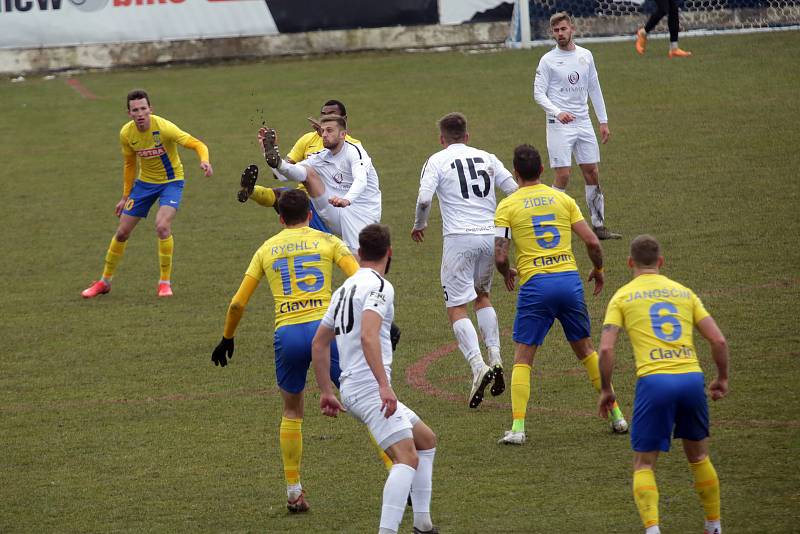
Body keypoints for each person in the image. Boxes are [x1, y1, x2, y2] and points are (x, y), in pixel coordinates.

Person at [209, 190, 393, 512]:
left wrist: (227, 337)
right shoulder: (328, 242)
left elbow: (238, 302)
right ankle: (396, 473)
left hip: (289, 335)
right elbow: (361, 277)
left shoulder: (266, 249)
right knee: (367, 402)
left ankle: (294, 490)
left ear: (280, 218)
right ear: (310, 214)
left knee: (292, 411)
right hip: (327, 332)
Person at [493, 144, 628, 445]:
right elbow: (593, 242)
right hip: (568, 281)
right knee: (587, 351)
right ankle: (618, 416)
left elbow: (500, 257)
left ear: (515, 174)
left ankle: (517, 428)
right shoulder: (562, 199)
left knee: (523, 357)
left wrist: (506, 274)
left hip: (536, 286)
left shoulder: (508, 205)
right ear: (542, 170)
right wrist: (599, 269)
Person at [312, 224, 439, 534]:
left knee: (425, 440)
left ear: (358, 253)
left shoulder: (344, 289)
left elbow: (319, 342)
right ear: (389, 253)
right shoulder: (381, 286)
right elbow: (369, 336)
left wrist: (327, 391)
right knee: (406, 458)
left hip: (352, 387)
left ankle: (423, 524)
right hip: (370, 388)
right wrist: (384, 385)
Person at [598, 235, 729, 534]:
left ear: (630, 262)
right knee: (699, 456)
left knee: (644, 465)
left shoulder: (622, 297)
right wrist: (721, 378)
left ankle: (653, 529)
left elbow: (605, 349)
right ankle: (714, 526)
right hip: (691, 379)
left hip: (655, 382)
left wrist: (607, 389)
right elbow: (718, 339)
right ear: (661, 262)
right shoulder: (684, 293)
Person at [411, 112, 518, 409]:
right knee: (483, 296)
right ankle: (495, 356)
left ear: (442, 139)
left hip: (459, 239)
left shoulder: (436, 160)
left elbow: (423, 200)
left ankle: (477, 366)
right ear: (467, 136)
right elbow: (514, 191)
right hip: (489, 235)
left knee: (456, 306)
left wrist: (419, 225)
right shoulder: (488, 157)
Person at [81, 89, 213, 298]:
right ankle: (104, 282)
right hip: (144, 185)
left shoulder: (165, 128)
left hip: (171, 183)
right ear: (129, 113)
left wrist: (204, 160)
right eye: (135, 110)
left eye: (143, 108)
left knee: (162, 226)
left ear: (150, 109)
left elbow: (197, 144)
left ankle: (164, 283)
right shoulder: (127, 134)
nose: (140, 113)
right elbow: (129, 164)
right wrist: (125, 196)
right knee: (122, 232)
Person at [533, 12, 620, 241]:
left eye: (563, 29)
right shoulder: (548, 60)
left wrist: (603, 121)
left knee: (592, 172)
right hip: (559, 124)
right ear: (552, 33)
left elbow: (594, 88)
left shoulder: (586, 56)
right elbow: (538, 94)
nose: (560, 34)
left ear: (572, 28)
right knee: (563, 175)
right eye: (555, 31)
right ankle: (546, 223)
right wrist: (557, 112)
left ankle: (599, 226)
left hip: (583, 122)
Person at [238, 99, 360, 235]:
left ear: (344, 120)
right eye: (324, 115)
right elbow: (282, 173)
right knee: (283, 195)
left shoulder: (352, 147)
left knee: (285, 197)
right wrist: (269, 152)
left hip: (328, 204)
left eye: (332, 115)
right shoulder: (308, 139)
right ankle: (250, 191)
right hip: (303, 199)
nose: (327, 118)